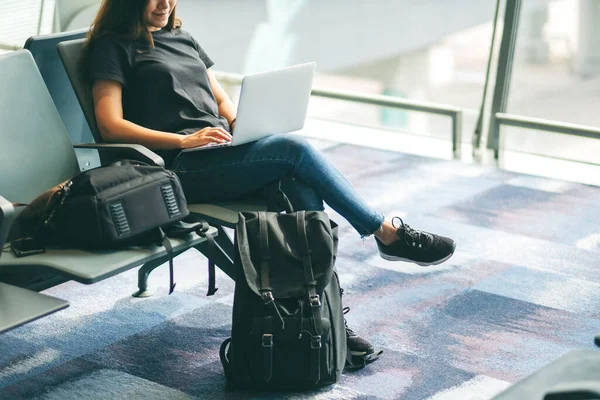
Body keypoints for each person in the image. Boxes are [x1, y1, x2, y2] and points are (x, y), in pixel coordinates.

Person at [85, 0, 456, 361]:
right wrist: (184, 140)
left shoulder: (183, 37)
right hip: (178, 167)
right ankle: (384, 232)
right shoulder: (113, 46)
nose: (165, 3)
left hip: (219, 154)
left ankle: (323, 319)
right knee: (293, 150)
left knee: (300, 189)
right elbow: (109, 124)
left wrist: (243, 127)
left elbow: (220, 99)